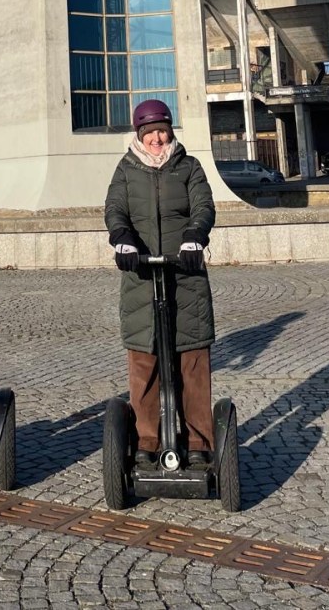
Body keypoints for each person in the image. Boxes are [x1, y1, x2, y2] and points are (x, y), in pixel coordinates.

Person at [104, 98, 216, 464]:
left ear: (170, 132)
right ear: (139, 134)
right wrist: (122, 237)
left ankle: (199, 443)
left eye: (161, 131)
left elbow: (203, 206)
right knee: (144, 362)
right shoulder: (126, 170)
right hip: (141, 277)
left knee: (192, 361)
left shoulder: (189, 167)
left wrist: (195, 235)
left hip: (184, 275)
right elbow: (115, 208)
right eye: (150, 132)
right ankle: (147, 441)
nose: (156, 138)